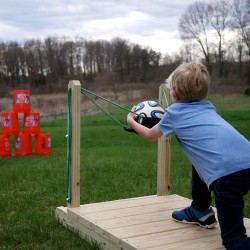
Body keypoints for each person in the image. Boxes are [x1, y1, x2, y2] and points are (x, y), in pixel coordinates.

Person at [127, 62, 250, 250]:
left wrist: (131, 120)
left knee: (234, 239)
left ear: (174, 94)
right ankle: (200, 211)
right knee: (200, 160)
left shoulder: (174, 114)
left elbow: (150, 135)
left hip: (227, 177)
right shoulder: (208, 108)